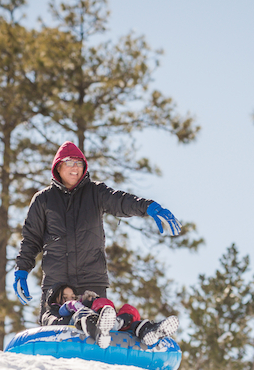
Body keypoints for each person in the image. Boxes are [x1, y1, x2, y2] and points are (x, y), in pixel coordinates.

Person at [12, 141, 182, 319]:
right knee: (55, 332)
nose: (75, 168)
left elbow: (120, 201)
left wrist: (148, 207)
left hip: (91, 284)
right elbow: (31, 240)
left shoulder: (95, 192)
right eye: (69, 163)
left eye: (79, 163)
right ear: (58, 167)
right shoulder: (43, 200)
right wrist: (22, 270)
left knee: (94, 332)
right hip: (57, 286)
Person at [41, 284, 179, 350]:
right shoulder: (52, 312)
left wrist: (91, 302)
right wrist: (71, 312)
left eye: (73, 297)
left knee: (128, 310)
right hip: (79, 325)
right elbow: (53, 325)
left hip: (104, 324)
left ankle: (149, 331)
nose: (70, 300)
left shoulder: (81, 306)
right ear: (55, 300)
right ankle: (99, 331)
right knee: (82, 315)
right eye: (64, 298)